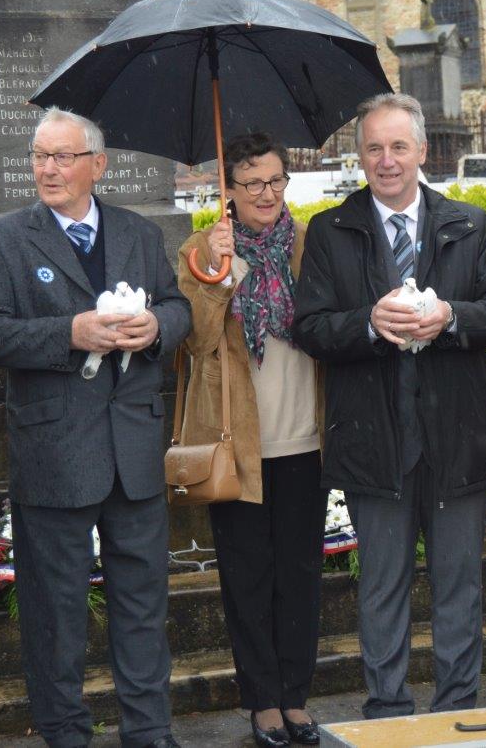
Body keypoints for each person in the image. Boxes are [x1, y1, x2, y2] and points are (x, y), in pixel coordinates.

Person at [0, 107, 191, 748]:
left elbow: (176, 307)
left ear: (98, 165)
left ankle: (149, 731)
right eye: (40, 156)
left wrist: (157, 330)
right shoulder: (2, 240)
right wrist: (71, 332)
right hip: (55, 453)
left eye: (63, 157)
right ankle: (66, 733)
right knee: (55, 613)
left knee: (143, 607)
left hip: (135, 452)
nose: (48, 169)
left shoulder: (140, 235)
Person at [293, 92, 486, 719]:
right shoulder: (332, 233)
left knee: (459, 587)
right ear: (358, 156)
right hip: (373, 439)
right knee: (382, 586)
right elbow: (310, 327)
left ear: (422, 150)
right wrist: (367, 323)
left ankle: (458, 711)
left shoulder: (469, 224)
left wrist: (450, 316)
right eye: (374, 148)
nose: (386, 160)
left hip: (457, 436)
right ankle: (387, 711)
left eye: (398, 146)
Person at [177, 133, 326, 748]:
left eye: (275, 181)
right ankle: (262, 701)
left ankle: (295, 697)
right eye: (252, 184)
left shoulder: (312, 242)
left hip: (307, 437)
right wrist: (220, 273)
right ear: (229, 192)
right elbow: (196, 341)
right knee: (247, 576)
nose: (266, 194)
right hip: (238, 443)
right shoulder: (202, 250)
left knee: (301, 575)